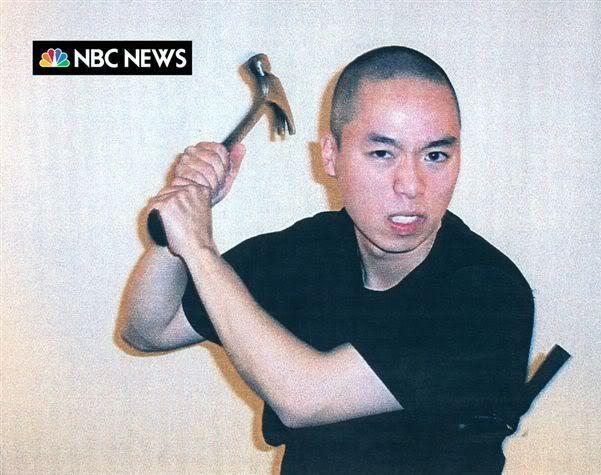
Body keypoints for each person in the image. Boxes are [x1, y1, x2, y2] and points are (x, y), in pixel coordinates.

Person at [122, 46, 534, 474]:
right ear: (331, 155)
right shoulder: (308, 252)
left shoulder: (488, 296)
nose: (411, 186)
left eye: (435, 155)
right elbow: (148, 329)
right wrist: (179, 218)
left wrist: (199, 249)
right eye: (383, 153)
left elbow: (304, 399)